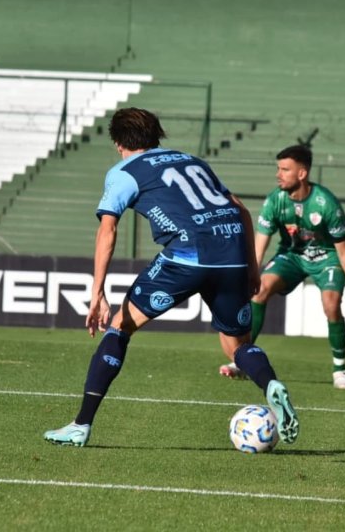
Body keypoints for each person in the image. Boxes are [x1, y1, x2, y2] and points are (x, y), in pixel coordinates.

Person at [44, 107, 299, 447]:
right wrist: (252, 267)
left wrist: (97, 292)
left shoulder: (123, 171)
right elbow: (239, 207)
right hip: (232, 253)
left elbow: (108, 229)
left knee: (120, 327)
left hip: (187, 255)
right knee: (237, 346)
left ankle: (81, 424)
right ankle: (270, 385)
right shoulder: (192, 161)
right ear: (156, 136)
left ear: (119, 143)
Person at [218, 144, 345, 390]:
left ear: (301, 174)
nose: (278, 174)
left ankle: (340, 371)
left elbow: (343, 251)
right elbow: (259, 244)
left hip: (327, 258)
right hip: (291, 256)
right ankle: (243, 360)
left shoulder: (326, 203)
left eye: (285, 169)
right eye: (278, 169)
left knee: (331, 305)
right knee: (260, 292)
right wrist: (252, 275)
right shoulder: (275, 200)